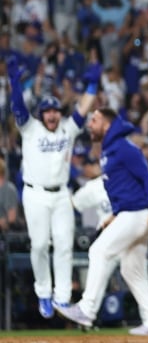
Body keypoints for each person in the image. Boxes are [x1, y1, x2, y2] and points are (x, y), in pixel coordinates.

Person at [55, 108, 148, 336]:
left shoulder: (125, 148)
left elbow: (146, 178)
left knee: (98, 251)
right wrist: (115, 214)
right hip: (130, 213)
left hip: (139, 214)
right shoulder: (109, 149)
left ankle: (87, 309)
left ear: (106, 125)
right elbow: (122, 189)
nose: (90, 124)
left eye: (94, 120)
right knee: (132, 270)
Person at [8, 56, 101, 318]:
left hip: (61, 195)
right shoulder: (30, 128)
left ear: (60, 114)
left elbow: (83, 109)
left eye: (55, 111)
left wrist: (92, 87)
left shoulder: (68, 130)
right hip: (35, 193)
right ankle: (43, 293)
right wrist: (14, 84)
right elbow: (17, 107)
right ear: (41, 114)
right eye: (48, 111)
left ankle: (61, 297)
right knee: (39, 245)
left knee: (63, 244)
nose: (52, 114)